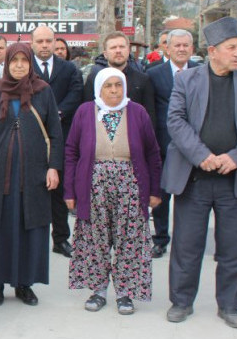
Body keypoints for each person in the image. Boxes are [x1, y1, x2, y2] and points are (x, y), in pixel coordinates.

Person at [163, 16, 237, 329]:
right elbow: (175, 122)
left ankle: (229, 305)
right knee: (187, 244)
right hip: (195, 178)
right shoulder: (188, 80)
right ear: (213, 51)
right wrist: (203, 156)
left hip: (235, 180)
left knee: (235, 248)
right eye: (232, 48)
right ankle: (182, 301)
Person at [64, 67, 162, 314]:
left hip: (130, 184)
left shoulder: (137, 112)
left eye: (118, 85)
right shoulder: (85, 112)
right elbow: (71, 152)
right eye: (108, 85)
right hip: (93, 184)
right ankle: (98, 290)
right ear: (99, 88)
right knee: (96, 239)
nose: (114, 90)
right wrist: (69, 191)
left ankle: (125, 293)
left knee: (129, 239)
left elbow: (152, 153)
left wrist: (154, 190)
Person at [0, 43, 63, 307]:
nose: (20, 65)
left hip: (34, 174)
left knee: (30, 227)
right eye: (15, 60)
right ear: (7, 63)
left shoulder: (43, 92)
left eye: (25, 60)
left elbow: (56, 134)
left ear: (31, 63)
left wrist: (53, 167)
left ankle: (25, 284)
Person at [146, 29, 199, 259]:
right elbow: (150, 110)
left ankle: (187, 241)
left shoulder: (201, 72)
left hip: (194, 146)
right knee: (161, 195)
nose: (181, 49)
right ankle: (160, 239)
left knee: (191, 197)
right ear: (167, 48)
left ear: (192, 49)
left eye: (185, 45)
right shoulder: (154, 74)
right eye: (176, 45)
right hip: (163, 145)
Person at [31, 26, 83, 258]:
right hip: (31, 135)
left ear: (55, 43)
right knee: (33, 189)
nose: (44, 45)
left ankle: (61, 238)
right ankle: (33, 239)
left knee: (58, 189)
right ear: (33, 43)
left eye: (48, 41)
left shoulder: (69, 68)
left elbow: (76, 93)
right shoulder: (23, 67)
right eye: (40, 41)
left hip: (61, 135)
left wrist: (57, 113)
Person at [84, 32, 155, 126]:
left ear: (128, 50)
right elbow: (86, 112)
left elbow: (150, 117)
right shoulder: (94, 79)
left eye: (122, 47)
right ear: (105, 54)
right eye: (113, 47)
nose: (118, 51)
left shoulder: (142, 79)